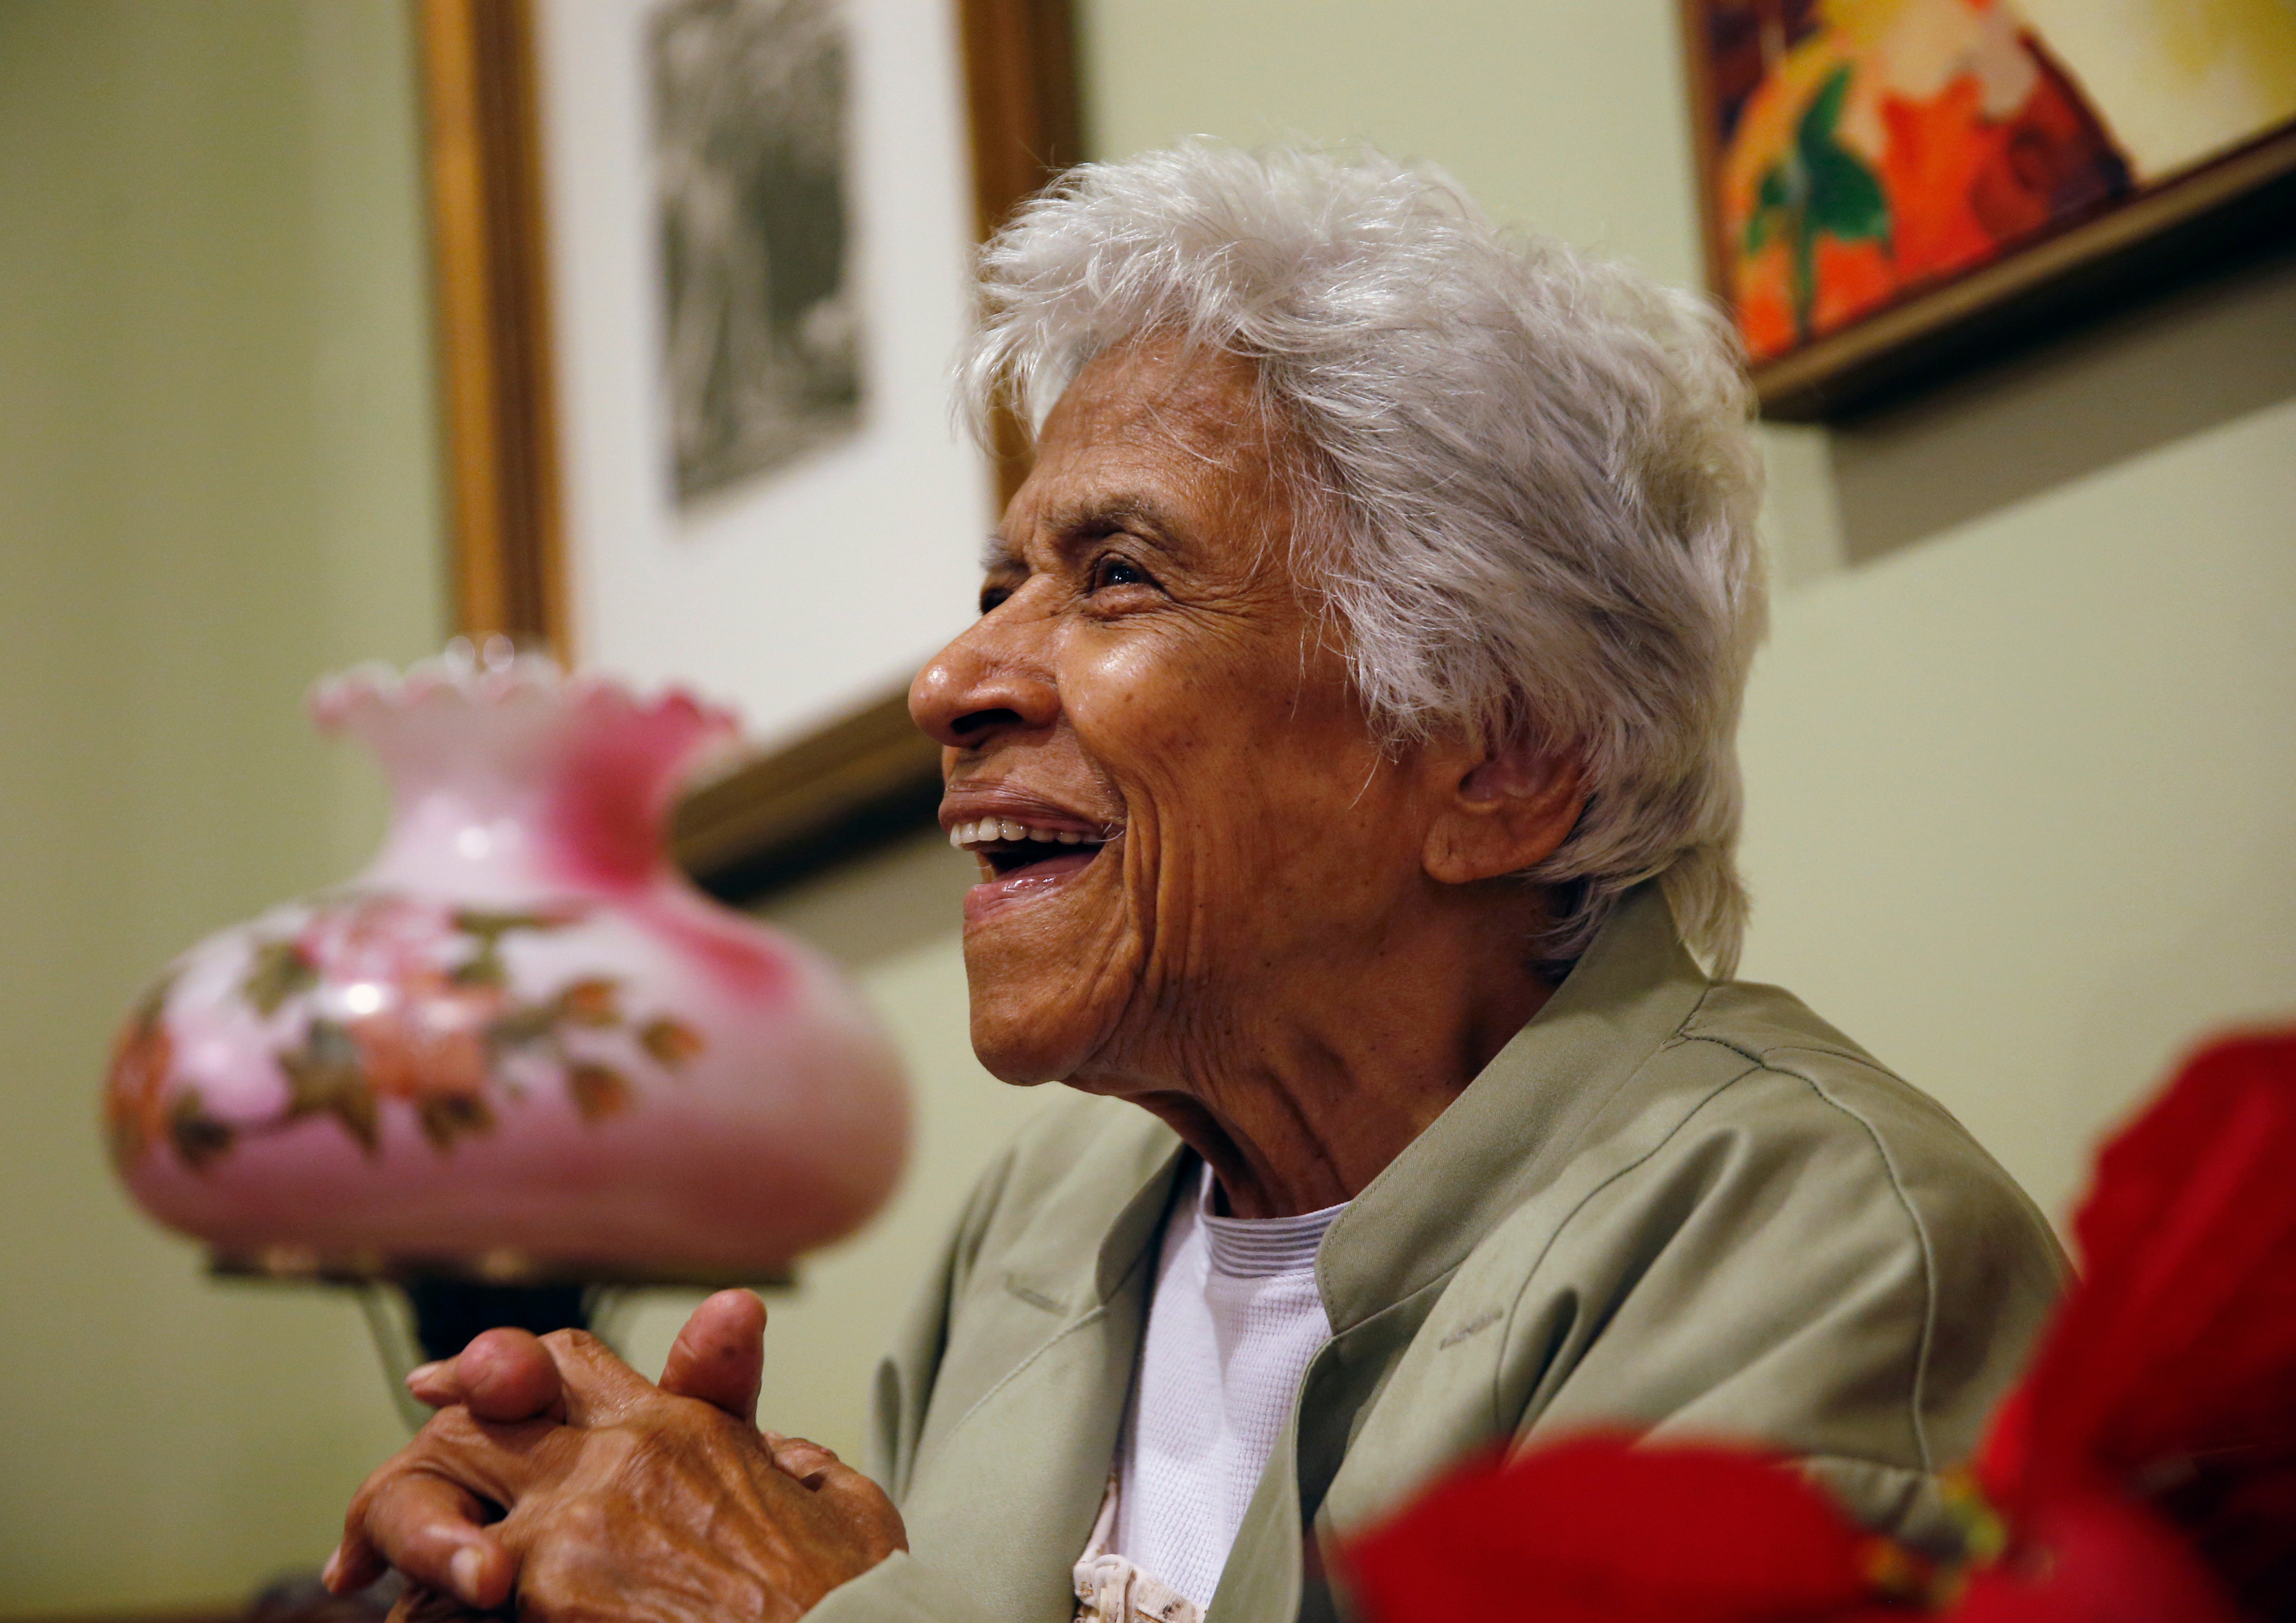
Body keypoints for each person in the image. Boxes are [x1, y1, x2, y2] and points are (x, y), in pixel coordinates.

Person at [324, 143, 2066, 1623]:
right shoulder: (1053, 1210)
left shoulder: (1821, 1254)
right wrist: (555, 1542)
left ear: (1505, 756)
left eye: (1118, 577)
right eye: (1003, 578)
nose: (955, 679)